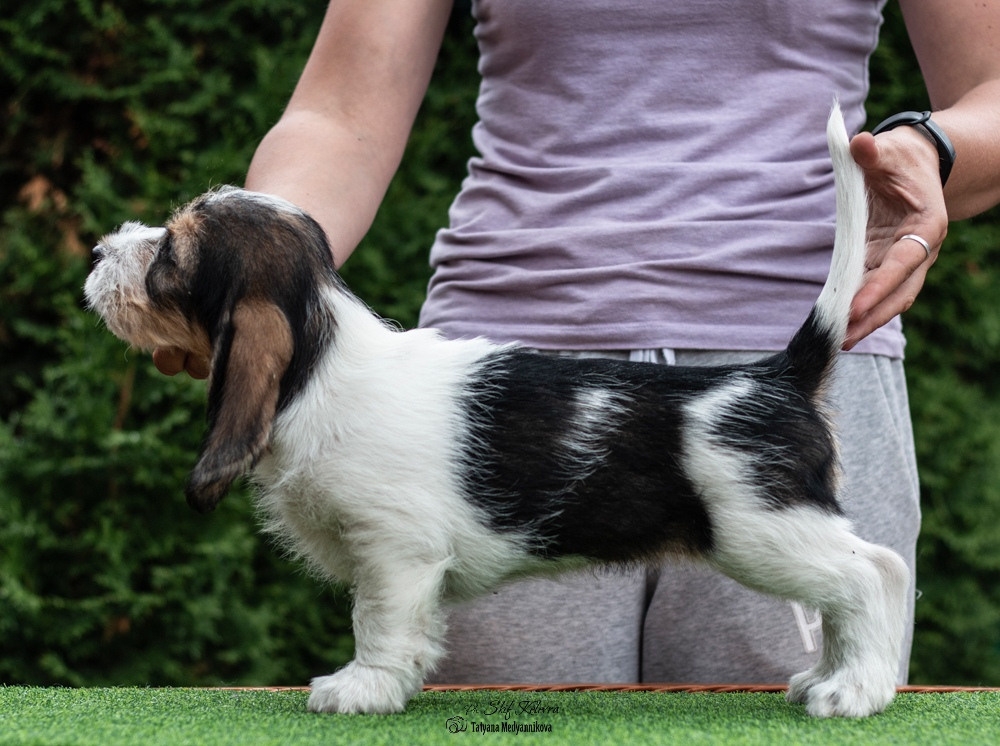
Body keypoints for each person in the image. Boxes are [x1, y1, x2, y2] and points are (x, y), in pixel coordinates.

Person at [154, 0, 1000, 684]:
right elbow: (342, 112)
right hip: (488, 398)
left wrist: (936, 147)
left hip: (794, 358)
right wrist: (259, 278)